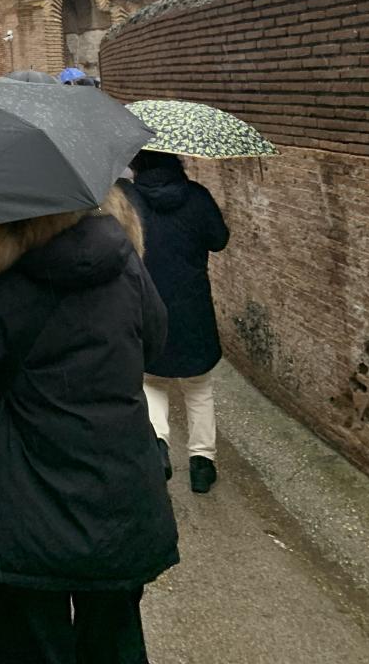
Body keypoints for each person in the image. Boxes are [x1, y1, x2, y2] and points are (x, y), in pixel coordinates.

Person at [0, 188, 178, 664]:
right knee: (114, 647)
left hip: (18, 512)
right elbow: (153, 343)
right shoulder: (122, 260)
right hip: (117, 502)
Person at [122, 150, 230, 494]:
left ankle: (159, 445)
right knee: (198, 387)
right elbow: (219, 240)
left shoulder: (129, 199)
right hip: (193, 309)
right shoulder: (197, 196)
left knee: (151, 381)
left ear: (137, 162)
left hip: (146, 308)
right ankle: (202, 464)